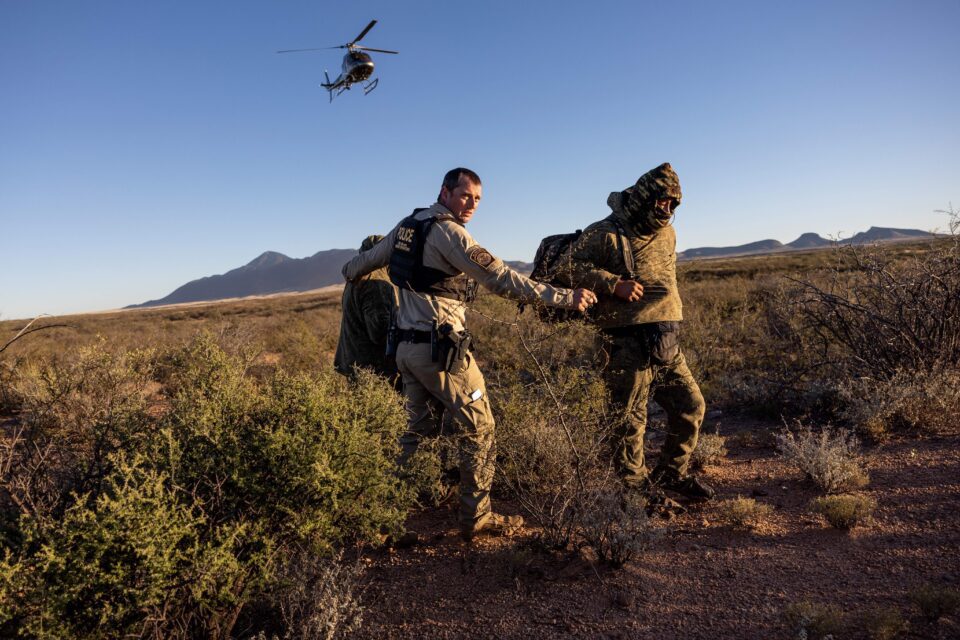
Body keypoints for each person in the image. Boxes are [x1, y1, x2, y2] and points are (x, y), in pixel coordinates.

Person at [342, 168, 597, 540]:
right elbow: (500, 278)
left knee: (415, 433)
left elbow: (360, 265)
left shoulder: (406, 226)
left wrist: (350, 271)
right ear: (445, 192)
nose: (472, 205)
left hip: (407, 352)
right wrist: (563, 297)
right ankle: (476, 517)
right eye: (465, 196)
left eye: (478, 199)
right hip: (440, 353)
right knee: (480, 428)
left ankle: (384, 515)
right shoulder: (449, 233)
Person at [560, 162, 714, 504]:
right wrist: (613, 284)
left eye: (674, 204)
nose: (669, 209)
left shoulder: (669, 233)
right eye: (663, 202)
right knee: (630, 421)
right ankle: (635, 494)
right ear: (646, 198)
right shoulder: (605, 232)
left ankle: (671, 475)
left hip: (665, 339)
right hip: (623, 341)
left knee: (690, 405)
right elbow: (566, 267)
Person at [334, 234, 400, 387]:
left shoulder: (356, 277)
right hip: (376, 371)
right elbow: (380, 332)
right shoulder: (376, 282)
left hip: (357, 366)